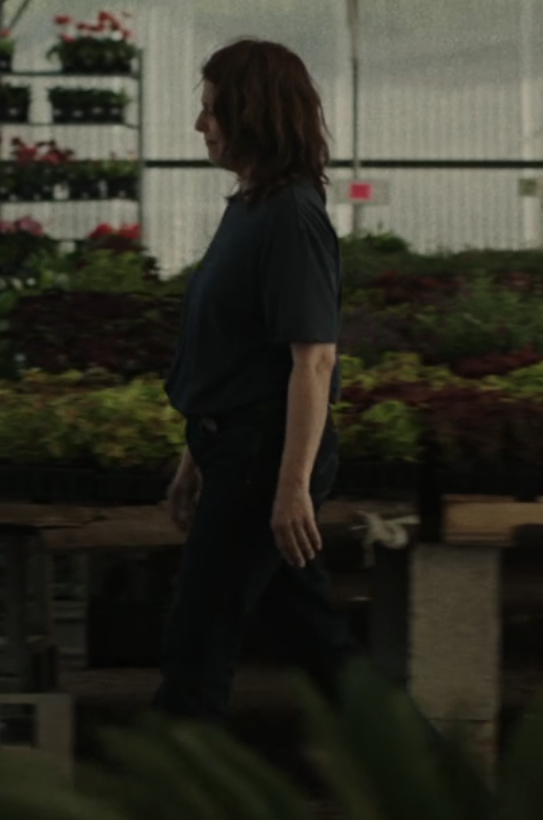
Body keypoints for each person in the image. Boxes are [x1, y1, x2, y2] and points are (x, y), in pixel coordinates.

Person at [155, 38, 360, 723]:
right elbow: (234, 354)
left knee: (197, 645)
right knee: (317, 645)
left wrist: (292, 485)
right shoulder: (249, 209)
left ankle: (170, 790)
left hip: (261, 459)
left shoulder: (290, 218)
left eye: (212, 109)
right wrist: (195, 454)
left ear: (254, 113)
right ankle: (437, 786)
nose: (200, 124)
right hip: (233, 453)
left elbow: (313, 360)